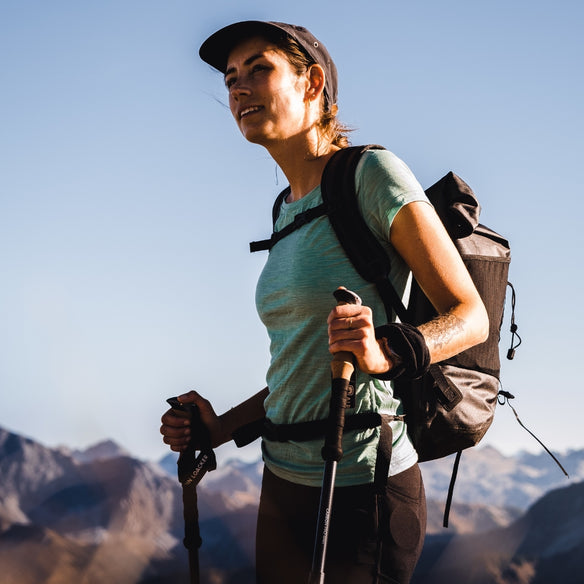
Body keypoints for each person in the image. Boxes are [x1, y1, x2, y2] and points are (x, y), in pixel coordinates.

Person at [160, 20, 488, 584]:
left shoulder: (370, 174)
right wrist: (218, 430)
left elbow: (470, 316)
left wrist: (385, 352)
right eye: (231, 78)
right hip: (283, 485)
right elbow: (302, 370)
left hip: (364, 485)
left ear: (312, 84)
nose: (238, 88)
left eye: (259, 69)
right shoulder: (285, 210)